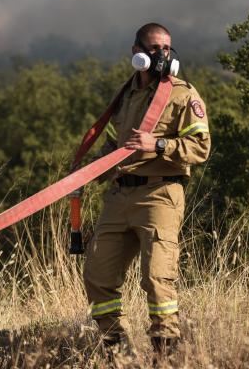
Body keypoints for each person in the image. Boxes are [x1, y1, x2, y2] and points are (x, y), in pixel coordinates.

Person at [83, 22, 211, 361]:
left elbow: (201, 147)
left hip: (160, 195)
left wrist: (158, 144)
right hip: (119, 196)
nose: (161, 55)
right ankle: (118, 353)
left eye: (166, 49)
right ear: (136, 51)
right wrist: (94, 167)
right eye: (154, 48)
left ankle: (165, 356)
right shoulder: (127, 95)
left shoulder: (183, 94)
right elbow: (118, 143)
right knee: (97, 275)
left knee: (157, 280)